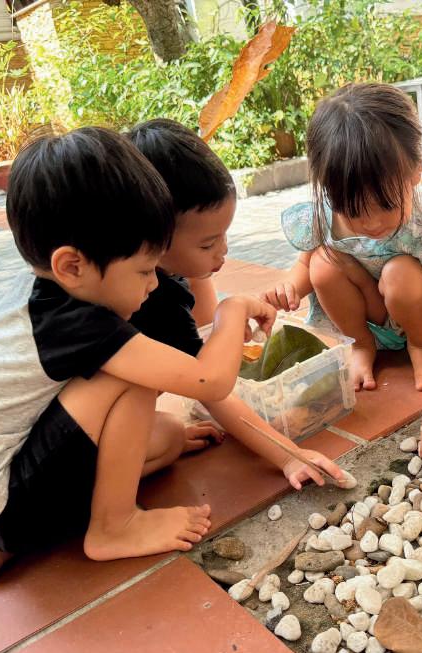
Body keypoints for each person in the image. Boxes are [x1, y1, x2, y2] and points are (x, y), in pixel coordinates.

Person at [0, 126, 276, 587]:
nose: (153, 283)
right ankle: (114, 526)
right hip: (7, 505)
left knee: (168, 437)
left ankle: (29, 535)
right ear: (72, 265)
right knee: (132, 374)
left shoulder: (48, 296)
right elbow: (210, 381)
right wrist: (234, 310)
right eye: (144, 270)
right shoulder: (77, 322)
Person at [128, 118, 344, 493]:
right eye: (208, 244)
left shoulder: (171, 276)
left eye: (224, 236)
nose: (223, 251)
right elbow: (210, 386)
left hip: (93, 423)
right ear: (153, 238)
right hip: (74, 442)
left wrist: (225, 331)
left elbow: (206, 337)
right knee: (167, 436)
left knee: (166, 431)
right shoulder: (150, 299)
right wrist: (289, 455)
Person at [262, 82, 422, 393]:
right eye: (352, 210)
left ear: (416, 171)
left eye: (387, 205)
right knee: (321, 262)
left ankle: (421, 347)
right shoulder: (325, 218)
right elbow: (304, 265)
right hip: (369, 320)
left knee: (400, 272)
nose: (372, 222)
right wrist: (289, 288)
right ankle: (361, 345)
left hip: (418, 317)